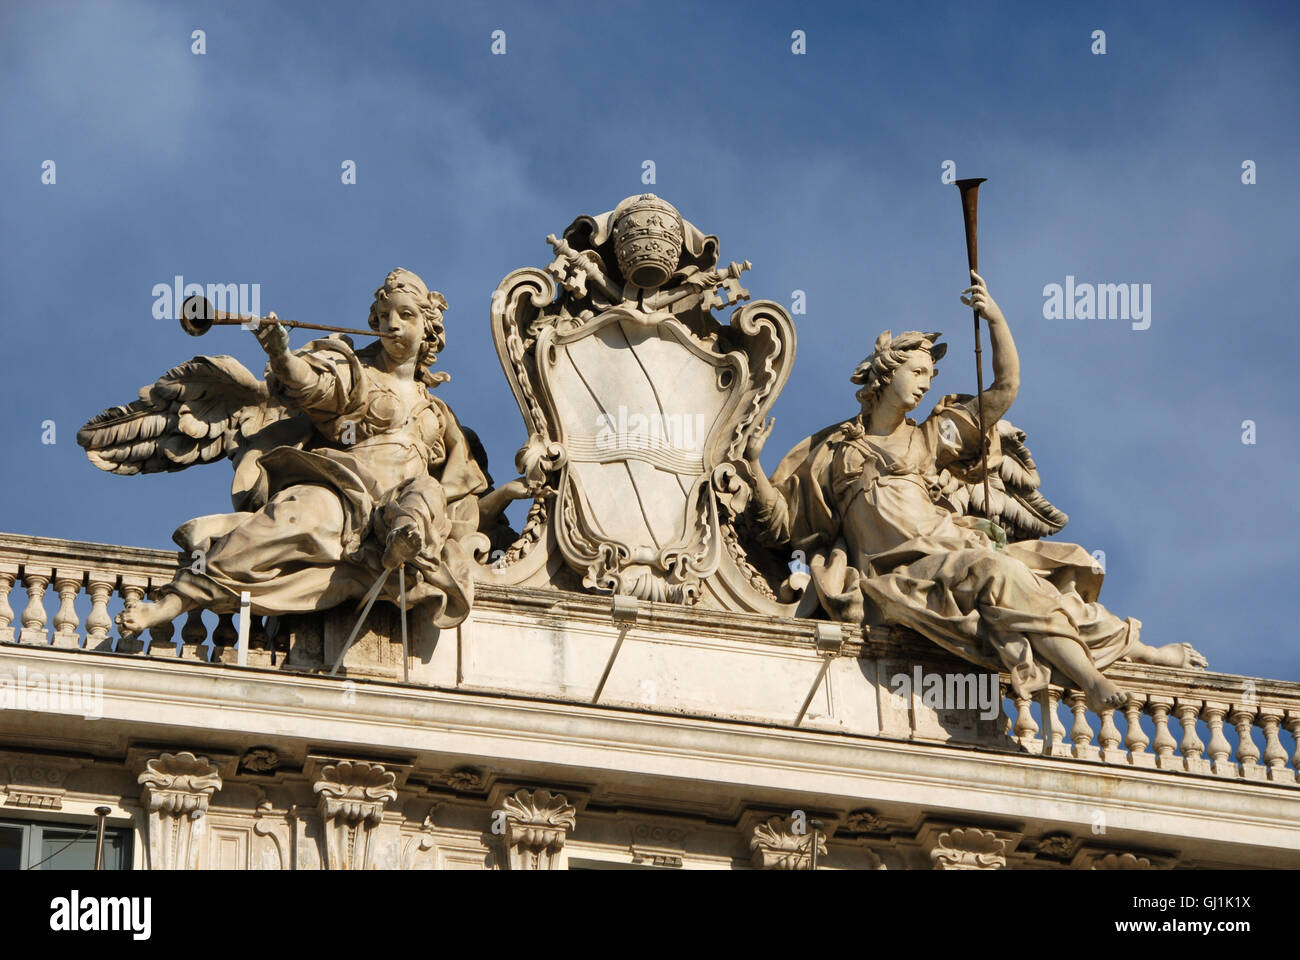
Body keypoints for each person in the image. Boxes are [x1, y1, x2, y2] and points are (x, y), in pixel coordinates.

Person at [744, 271, 1205, 708]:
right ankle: (1097, 674)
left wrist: (997, 321)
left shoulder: (929, 438)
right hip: (894, 571)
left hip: (945, 547)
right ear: (887, 371)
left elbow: (1004, 390)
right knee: (1003, 578)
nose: (925, 384)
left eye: (930, 376)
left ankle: (1116, 667)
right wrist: (752, 463)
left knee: (1028, 586)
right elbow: (781, 523)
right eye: (918, 372)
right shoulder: (835, 451)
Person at [117, 268, 533, 635]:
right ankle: (175, 601)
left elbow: (463, 503)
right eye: (385, 316)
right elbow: (314, 387)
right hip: (347, 488)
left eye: (406, 315)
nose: (393, 324)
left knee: (425, 492)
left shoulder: (441, 418)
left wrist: (504, 496)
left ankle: (403, 543)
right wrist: (281, 355)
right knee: (293, 517)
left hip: (406, 503)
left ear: (428, 328)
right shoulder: (359, 376)